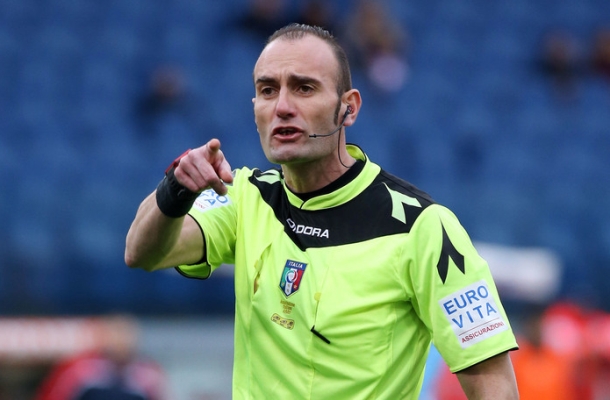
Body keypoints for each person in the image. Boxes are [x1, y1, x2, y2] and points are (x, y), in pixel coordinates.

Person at [125, 23, 519, 399]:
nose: (282, 107)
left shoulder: (422, 227)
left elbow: (492, 382)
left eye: (304, 88)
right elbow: (142, 252)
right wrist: (176, 188)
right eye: (267, 90)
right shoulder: (243, 196)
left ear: (348, 108)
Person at [35, 315, 169, 400]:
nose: (121, 341)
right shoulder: (80, 370)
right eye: (116, 334)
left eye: (126, 335)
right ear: (104, 338)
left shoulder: (148, 374)